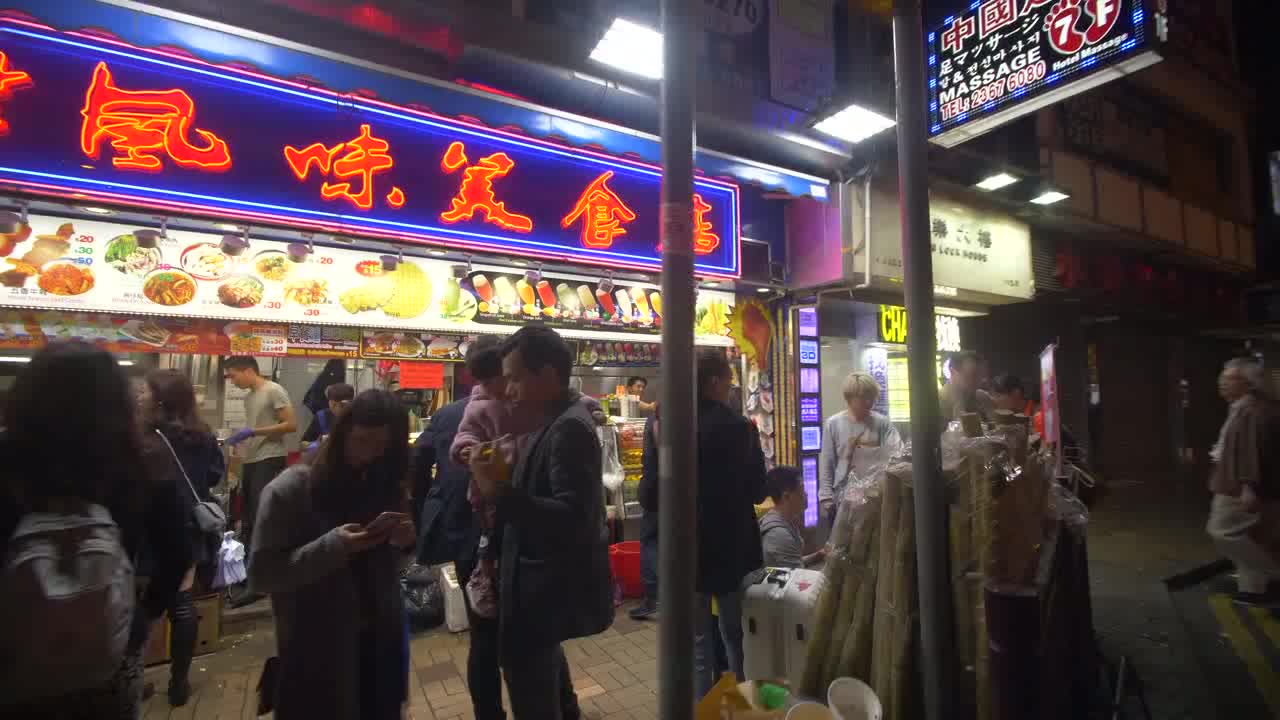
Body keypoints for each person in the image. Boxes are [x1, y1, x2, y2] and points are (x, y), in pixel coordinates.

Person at [0, 343, 190, 718]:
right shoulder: (142, 461)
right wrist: (139, 619)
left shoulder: (8, 457)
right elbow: (178, 553)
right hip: (106, 651)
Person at [470, 326, 612, 718]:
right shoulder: (547, 420)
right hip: (532, 592)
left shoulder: (569, 427)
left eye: (515, 378)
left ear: (547, 376)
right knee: (543, 685)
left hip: (542, 592)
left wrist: (499, 491)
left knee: (534, 696)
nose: (508, 389)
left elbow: (574, 519)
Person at [249, 389, 416, 719]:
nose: (370, 455)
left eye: (383, 448)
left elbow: (388, 564)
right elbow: (262, 574)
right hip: (317, 652)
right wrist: (332, 547)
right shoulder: (291, 490)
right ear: (344, 432)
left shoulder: (384, 484)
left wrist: (404, 541)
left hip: (380, 645)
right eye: (364, 441)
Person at [141, 369, 226, 707]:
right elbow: (214, 475)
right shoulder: (202, 435)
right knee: (182, 603)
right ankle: (179, 682)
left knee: (141, 607)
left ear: (158, 397)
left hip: (147, 529)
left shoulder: (143, 434)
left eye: (145, 392)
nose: (141, 397)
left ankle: (136, 678)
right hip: (189, 527)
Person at [690, 349, 767, 699]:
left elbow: (653, 491)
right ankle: (742, 703)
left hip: (687, 543)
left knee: (698, 640)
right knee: (736, 633)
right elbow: (757, 489)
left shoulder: (673, 423)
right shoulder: (739, 428)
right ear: (715, 382)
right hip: (732, 542)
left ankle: (700, 704)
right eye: (728, 381)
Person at [223, 356, 296, 607]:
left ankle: (261, 583)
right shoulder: (248, 397)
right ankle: (252, 577)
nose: (232, 381)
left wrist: (253, 432)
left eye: (233, 375)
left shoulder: (274, 390)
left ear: (248, 370)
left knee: (262, 519)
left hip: (270, 458)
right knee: (250, 519)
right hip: (252, 460)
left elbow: (291, 424)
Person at [1206, 358, 1280, 605]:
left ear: (1248, 383)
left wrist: (1249, 486)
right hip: (1238, 484)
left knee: (1222, 531)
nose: (1222, 383)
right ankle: (1255, 590)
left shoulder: (1251, 410)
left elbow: (1252, 450)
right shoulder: (1244, 406)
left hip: (1236, 487)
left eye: (1229, 378)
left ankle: (1272, 576)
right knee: (1254, 537)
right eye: (1222, 377)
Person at [818, 372, 902, 531]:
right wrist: (826, 498)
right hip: (842, 496)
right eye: (864, 397)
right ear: (849, 398)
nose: (869, 402)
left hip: (875, 496)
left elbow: (897, 453)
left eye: (872, 397)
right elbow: (827, 462)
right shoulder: (833, 424)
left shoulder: (882, 423)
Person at [759, 466, 826, 569]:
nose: (806, 494)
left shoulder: (786, 521)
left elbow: (794, 562)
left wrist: (818, 555)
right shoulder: (779, 535)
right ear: (786, 496)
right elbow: (796, 576)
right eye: (802, 490)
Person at [629, 403, 660, 620]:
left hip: (655, 490)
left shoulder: (656, 421)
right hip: (665, 491)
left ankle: (652, 598)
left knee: (650, 541)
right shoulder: (665, 420)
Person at [939, 351, 995, 423]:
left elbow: (998, 430)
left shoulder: (983, 397)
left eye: (982, 375)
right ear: (952, 372)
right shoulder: (935, 403)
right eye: (973, 375)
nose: (981, 380)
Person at [301, 382, 354, 449]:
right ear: (329, 401)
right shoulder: (322, 416)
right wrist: (319, 443)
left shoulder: (358, 416)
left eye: (342, 405)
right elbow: (302, 444)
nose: (337, 409)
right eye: (333, 404)